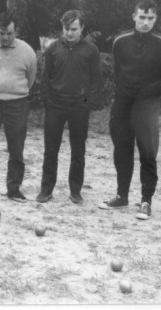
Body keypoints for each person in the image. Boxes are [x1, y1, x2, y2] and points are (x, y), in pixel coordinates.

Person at [99, 0, 161, 220]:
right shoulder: (120, 41)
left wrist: (151, 95)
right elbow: (117, 71)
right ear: (134, 17)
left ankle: (146, 201)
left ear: (155, 19)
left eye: (150, 18)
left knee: (148, 153)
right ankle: (121, 196)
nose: (145, 22)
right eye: (142, 17)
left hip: (147, 105)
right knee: (121, 150)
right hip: (123, 103)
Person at [37, 10, 102, 204]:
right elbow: (45, 77)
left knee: (78, 150)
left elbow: (96, 81)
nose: (70, 33)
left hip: (79, 107)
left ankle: (75, 191)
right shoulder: (53, 48)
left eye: (74, 29)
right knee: (50, 150)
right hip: (55, 105)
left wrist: (86, 103)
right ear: (62, 28)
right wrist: (47, 100)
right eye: (66, 29)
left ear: (82, 28)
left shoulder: (91, 50)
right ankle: (46, 190)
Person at [0, 12, 37, 202]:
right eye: (1, 33)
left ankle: (14, 189)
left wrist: (14, 93)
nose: (5, 37)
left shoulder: (28, 52)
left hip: (17, 105)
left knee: (16, 149)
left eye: (9, 33)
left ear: (16, 31)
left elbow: (31, 78)